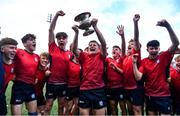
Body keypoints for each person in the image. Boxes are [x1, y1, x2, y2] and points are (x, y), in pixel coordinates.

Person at [132, 19, 179, 115]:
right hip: (150, 96)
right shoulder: (144, 61)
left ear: (159, 48)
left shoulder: (164, 57)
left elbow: (175, 43)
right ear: (147, 49)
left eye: (156, 48)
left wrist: (167, 26)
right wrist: (134, 63)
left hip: (164, 96)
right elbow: (138, 77)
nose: (154, 50)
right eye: (151, 48)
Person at [72, 18, 107, 115]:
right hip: (84, 90)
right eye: (90, 45)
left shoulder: (101, 55)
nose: (92, 46)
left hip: (98, 90)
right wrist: (76, 33)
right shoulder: (84, 55)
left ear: (98, 48)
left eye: (94, 45)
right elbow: (74, 50)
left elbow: (103, 43)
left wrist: (95, 27)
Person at [44, 10, 71, 115]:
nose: (61, 40)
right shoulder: (53, 48)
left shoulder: (70, 54)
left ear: (67, 40)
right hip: (51, 83)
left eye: (63, 38)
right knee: (48, 107)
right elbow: (51, 30)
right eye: (59, 38)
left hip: (64, 84)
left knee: (61, 106)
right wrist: (56, 15)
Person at [10, 34, 39, 115]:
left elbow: (37, 70)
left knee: (33, 114)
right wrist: (10, 74)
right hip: (19, 87)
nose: (34, 41)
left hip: (31, 87)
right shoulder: (18, 51)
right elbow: (6, 54)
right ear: (24, 44)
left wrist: (36, 76)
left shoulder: (37, 56)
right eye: (31, 40)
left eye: (34, 40)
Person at [122, 14, 143, 115]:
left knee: (137, 110)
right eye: (129, 45)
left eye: (132, 44)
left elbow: (136, 38)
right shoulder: (125, 58)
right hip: (126, 87)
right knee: (130, 110)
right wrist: (122, 36)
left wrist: (135, 23)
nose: (130, 46)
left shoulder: (136, 54)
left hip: (136, 87)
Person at [105, 25, 127, 115]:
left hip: (120, 87)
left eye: (116, 49)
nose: (114, 50)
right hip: (110, 88)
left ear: (120, 51)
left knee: (122, 107)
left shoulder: (122, 59)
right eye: (113, 49)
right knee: (113, 107)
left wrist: (122, 36)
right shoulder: (108, 59)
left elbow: (123, 73)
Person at [0, 37, 18, 115]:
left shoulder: (14, 64)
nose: (14, 50)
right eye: (11, 48)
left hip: (1, 95)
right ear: (2, 49)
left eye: (15, 48)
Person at [64, 46, 82, 115]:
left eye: (80, 53)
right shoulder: (69, 62)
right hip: (69, 87)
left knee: (77, 105)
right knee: (68, 107)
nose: (78, 54)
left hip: (77, 87)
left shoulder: (81, 63)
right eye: (77, 53)